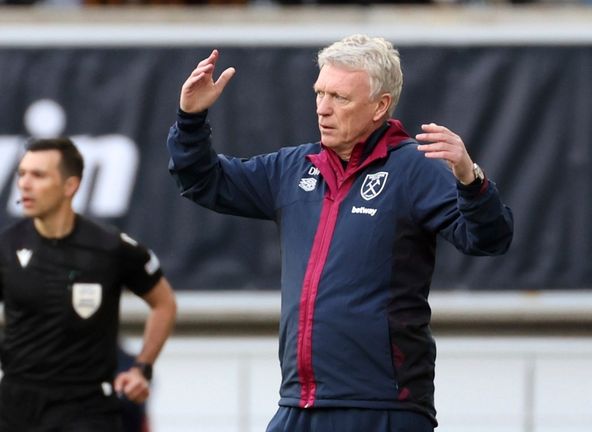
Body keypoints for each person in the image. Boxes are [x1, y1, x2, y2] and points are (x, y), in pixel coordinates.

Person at [166, 33, 514, 431]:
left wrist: (472, 181)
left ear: (380, 106)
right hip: (299, 404)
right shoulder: (295, 168)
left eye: (340, 98)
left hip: (383, 406)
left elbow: (489, 239)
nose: (323, 109)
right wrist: (190, 120)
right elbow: (202, 181)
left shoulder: (415, 169)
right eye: (320, 93)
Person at [0, 138, 177, 431]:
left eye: (38, 175)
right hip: (16, 407)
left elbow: (164, 303)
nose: (24, 184)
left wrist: (142, 368)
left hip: (85, 408)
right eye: (21, 174)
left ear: (70, 186)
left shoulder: (110, 248)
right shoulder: (6, 247)